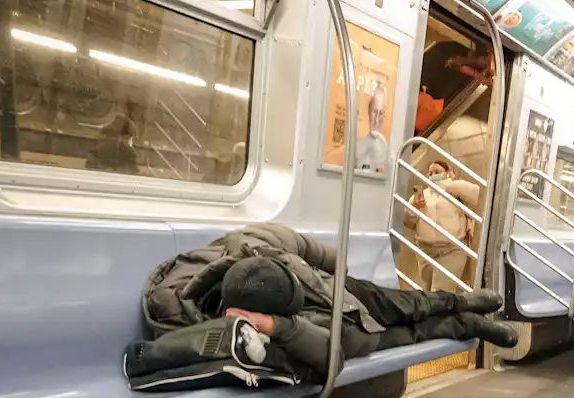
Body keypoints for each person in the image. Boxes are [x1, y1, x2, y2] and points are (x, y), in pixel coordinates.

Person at [142, 223, 517, 380]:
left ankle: (462, 301)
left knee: (414, 303)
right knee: (414, 333)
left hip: (338, 290)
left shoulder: (254, 242)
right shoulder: (226, 332)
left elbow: (307, 248)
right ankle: (470, 324)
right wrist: (280, 328)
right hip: (341, 335)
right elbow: (330, 360)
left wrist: (331, 271)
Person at [403, 160, 481, 292]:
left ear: (449, 174)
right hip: (426, 252)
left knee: (441, 292)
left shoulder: (456, 190)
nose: (433, 175)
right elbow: (408, 223)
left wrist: (450, 185)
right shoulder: (421, 195)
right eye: (430, 173)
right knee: (428, 292)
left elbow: (477, 194)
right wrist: (414, 208)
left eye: (437, 172)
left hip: (451, 250)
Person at [355, 85, 390, 175]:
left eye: (381, 113)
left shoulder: (387, 148)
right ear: (368, 111)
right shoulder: (357, 144)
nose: (377, 119)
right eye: (374, 112)